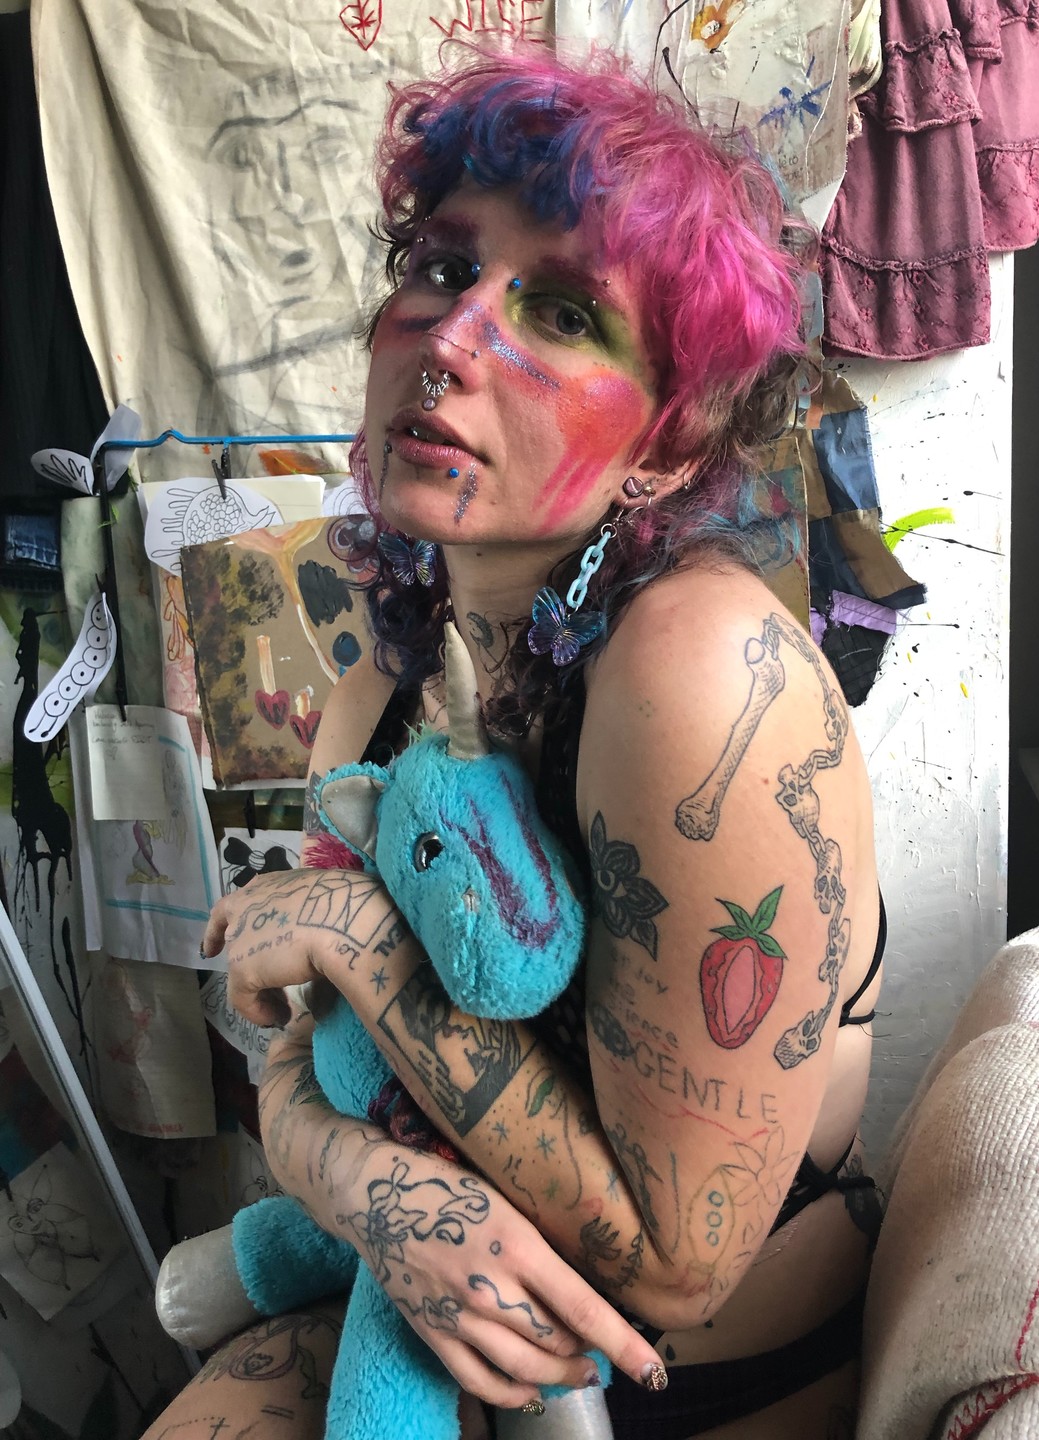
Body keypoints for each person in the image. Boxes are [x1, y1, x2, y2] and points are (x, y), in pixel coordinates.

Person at [145, 41, 883, 1440]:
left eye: (559, 311)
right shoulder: (382, 688)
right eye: (440, 268)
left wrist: (360, 939)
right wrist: (365, 1186)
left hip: (675, 1388)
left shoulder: (700, 678)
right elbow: (298, 1064)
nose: (452, 339)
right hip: (417, 1313)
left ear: (669, 444)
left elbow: (676, 1266)